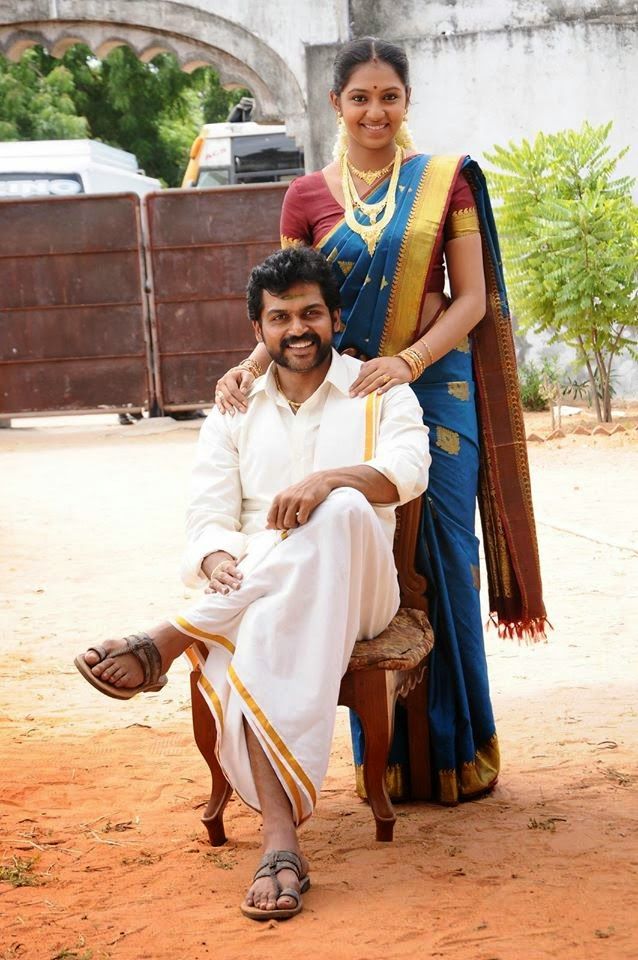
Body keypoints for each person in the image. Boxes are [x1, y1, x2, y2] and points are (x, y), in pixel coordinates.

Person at [213, 37, 548, 807]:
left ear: (406, 101)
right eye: (359, 97)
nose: (375, 111)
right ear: (337, 104)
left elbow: (470, 298)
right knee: (374, 559)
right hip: (354, 393)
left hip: (433, 387)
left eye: (389, 97)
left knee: (444, 561)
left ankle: (461, 752)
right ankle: (388, 761)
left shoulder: (445, 184)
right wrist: (252, 365)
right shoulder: (305, 197)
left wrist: (413, 359)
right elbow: (296, 302)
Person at [74, 246, 430, 920]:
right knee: (266, 618)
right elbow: (207, 514)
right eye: (280, 318)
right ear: (259, 330)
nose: (297, 329)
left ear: (333, 318)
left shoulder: (377, 388)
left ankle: (176, 632)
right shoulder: (233, 407)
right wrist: (214, 562)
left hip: (362, 591)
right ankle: (279, 844)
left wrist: (330, 478)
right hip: (257, 590)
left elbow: (409, 472)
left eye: (311, 314)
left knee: (346, 505)